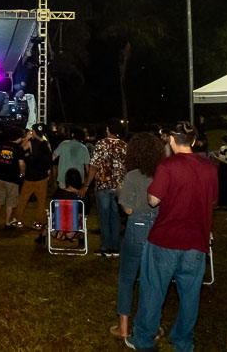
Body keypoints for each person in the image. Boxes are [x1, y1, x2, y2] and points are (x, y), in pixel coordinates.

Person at [126, 122, 217, 352]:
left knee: (153, 291)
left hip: (165, 239)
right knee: (189, 297)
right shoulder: (209, 167)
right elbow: (212, 200)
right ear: (194, 141)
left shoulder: (168, 165)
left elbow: (153, 200)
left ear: (172, 141)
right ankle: (183, 341)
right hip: (196, 240)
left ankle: (145, 338)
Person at [112, 131, 165, 341]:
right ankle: (152, 326)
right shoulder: (164, 173)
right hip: (159, 230)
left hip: (138, 227)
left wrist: (120, 193)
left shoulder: (132, 176)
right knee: (153, 279)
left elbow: (128, 210)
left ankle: (123, 327)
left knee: (126, 278)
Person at [81, 119, 128, 257]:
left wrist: (87, 184)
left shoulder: (101, 144)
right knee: (115, 216)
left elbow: (94, 165)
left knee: (104, 216)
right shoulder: (124, 145)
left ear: (108, 129)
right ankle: (116, 246)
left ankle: (106, 246)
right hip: (118, 186)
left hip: (103, 185)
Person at [13, 125, 53, 232]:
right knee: (41, 201)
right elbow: (49, 160)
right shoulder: (46, 144)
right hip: (42, 176)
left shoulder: (31, 143)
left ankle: (18, 220)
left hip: (30, 176)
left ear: (34, 132)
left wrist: (26, 139)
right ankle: (39, 223)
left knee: (22, 199)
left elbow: (19, 151)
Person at [0, 125, 26, 228]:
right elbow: (21, 164)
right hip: (12, 178)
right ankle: (7, 222)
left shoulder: (1, 145)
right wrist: (22, 173)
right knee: (10, 201)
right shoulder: (19, 148)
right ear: (18, 137)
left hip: (0, 176)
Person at [52, 126, 90, 195]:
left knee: (64, 200)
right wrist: (86, 182)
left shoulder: (64, 144)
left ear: (72, 135)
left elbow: (52, 157)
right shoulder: (84, 148)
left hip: (63, 179)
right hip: (78, 180)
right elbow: (88, 168)